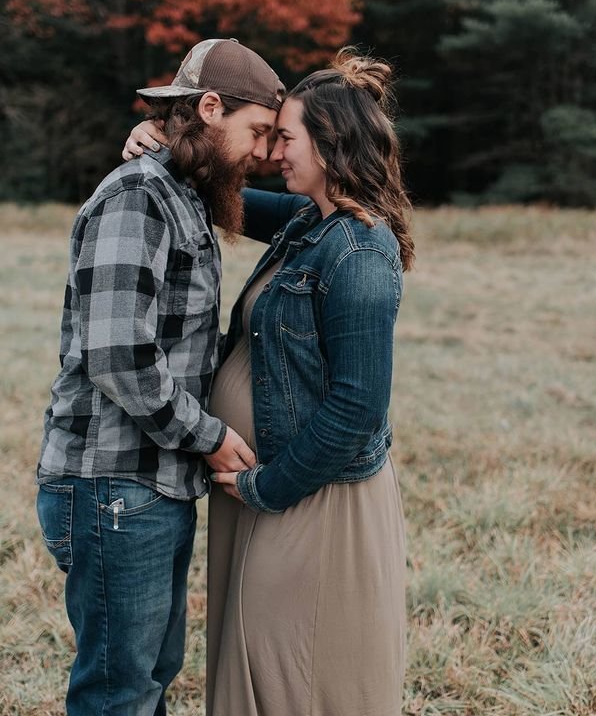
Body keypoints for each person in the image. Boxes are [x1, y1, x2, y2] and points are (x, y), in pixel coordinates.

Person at [124, 48, 414, 715]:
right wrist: (160, 145)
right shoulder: (310, 222)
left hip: (306, 496)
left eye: (286, 138)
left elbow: (358, 408)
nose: (272, 153)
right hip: (270, 486)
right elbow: (217, 190)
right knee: (261, 653)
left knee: (299, 667)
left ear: (331, 144)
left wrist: (267, 487)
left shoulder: (360, 251)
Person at [36, 38, 285, 715]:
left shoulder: (185, 191)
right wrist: (207, 434)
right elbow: (118, 355)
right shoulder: (139, 198)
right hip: (112, 484)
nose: (263, 151)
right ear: (209, 107)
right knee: (119, 693)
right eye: (257, 131)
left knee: (146, 676)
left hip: (148, 484)